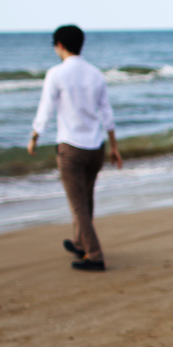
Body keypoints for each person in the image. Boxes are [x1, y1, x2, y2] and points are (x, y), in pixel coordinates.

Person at [27, 25, 122, 271]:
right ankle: (80, 244)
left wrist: (35, 136)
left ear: (59, 45)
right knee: (86, 199)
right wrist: (114, 147)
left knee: (78, 205)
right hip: (95, 147)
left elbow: (45, 109)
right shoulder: (95, 74)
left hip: (71, 148)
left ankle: (95, 255)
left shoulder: (56, 74)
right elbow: (107, 113)